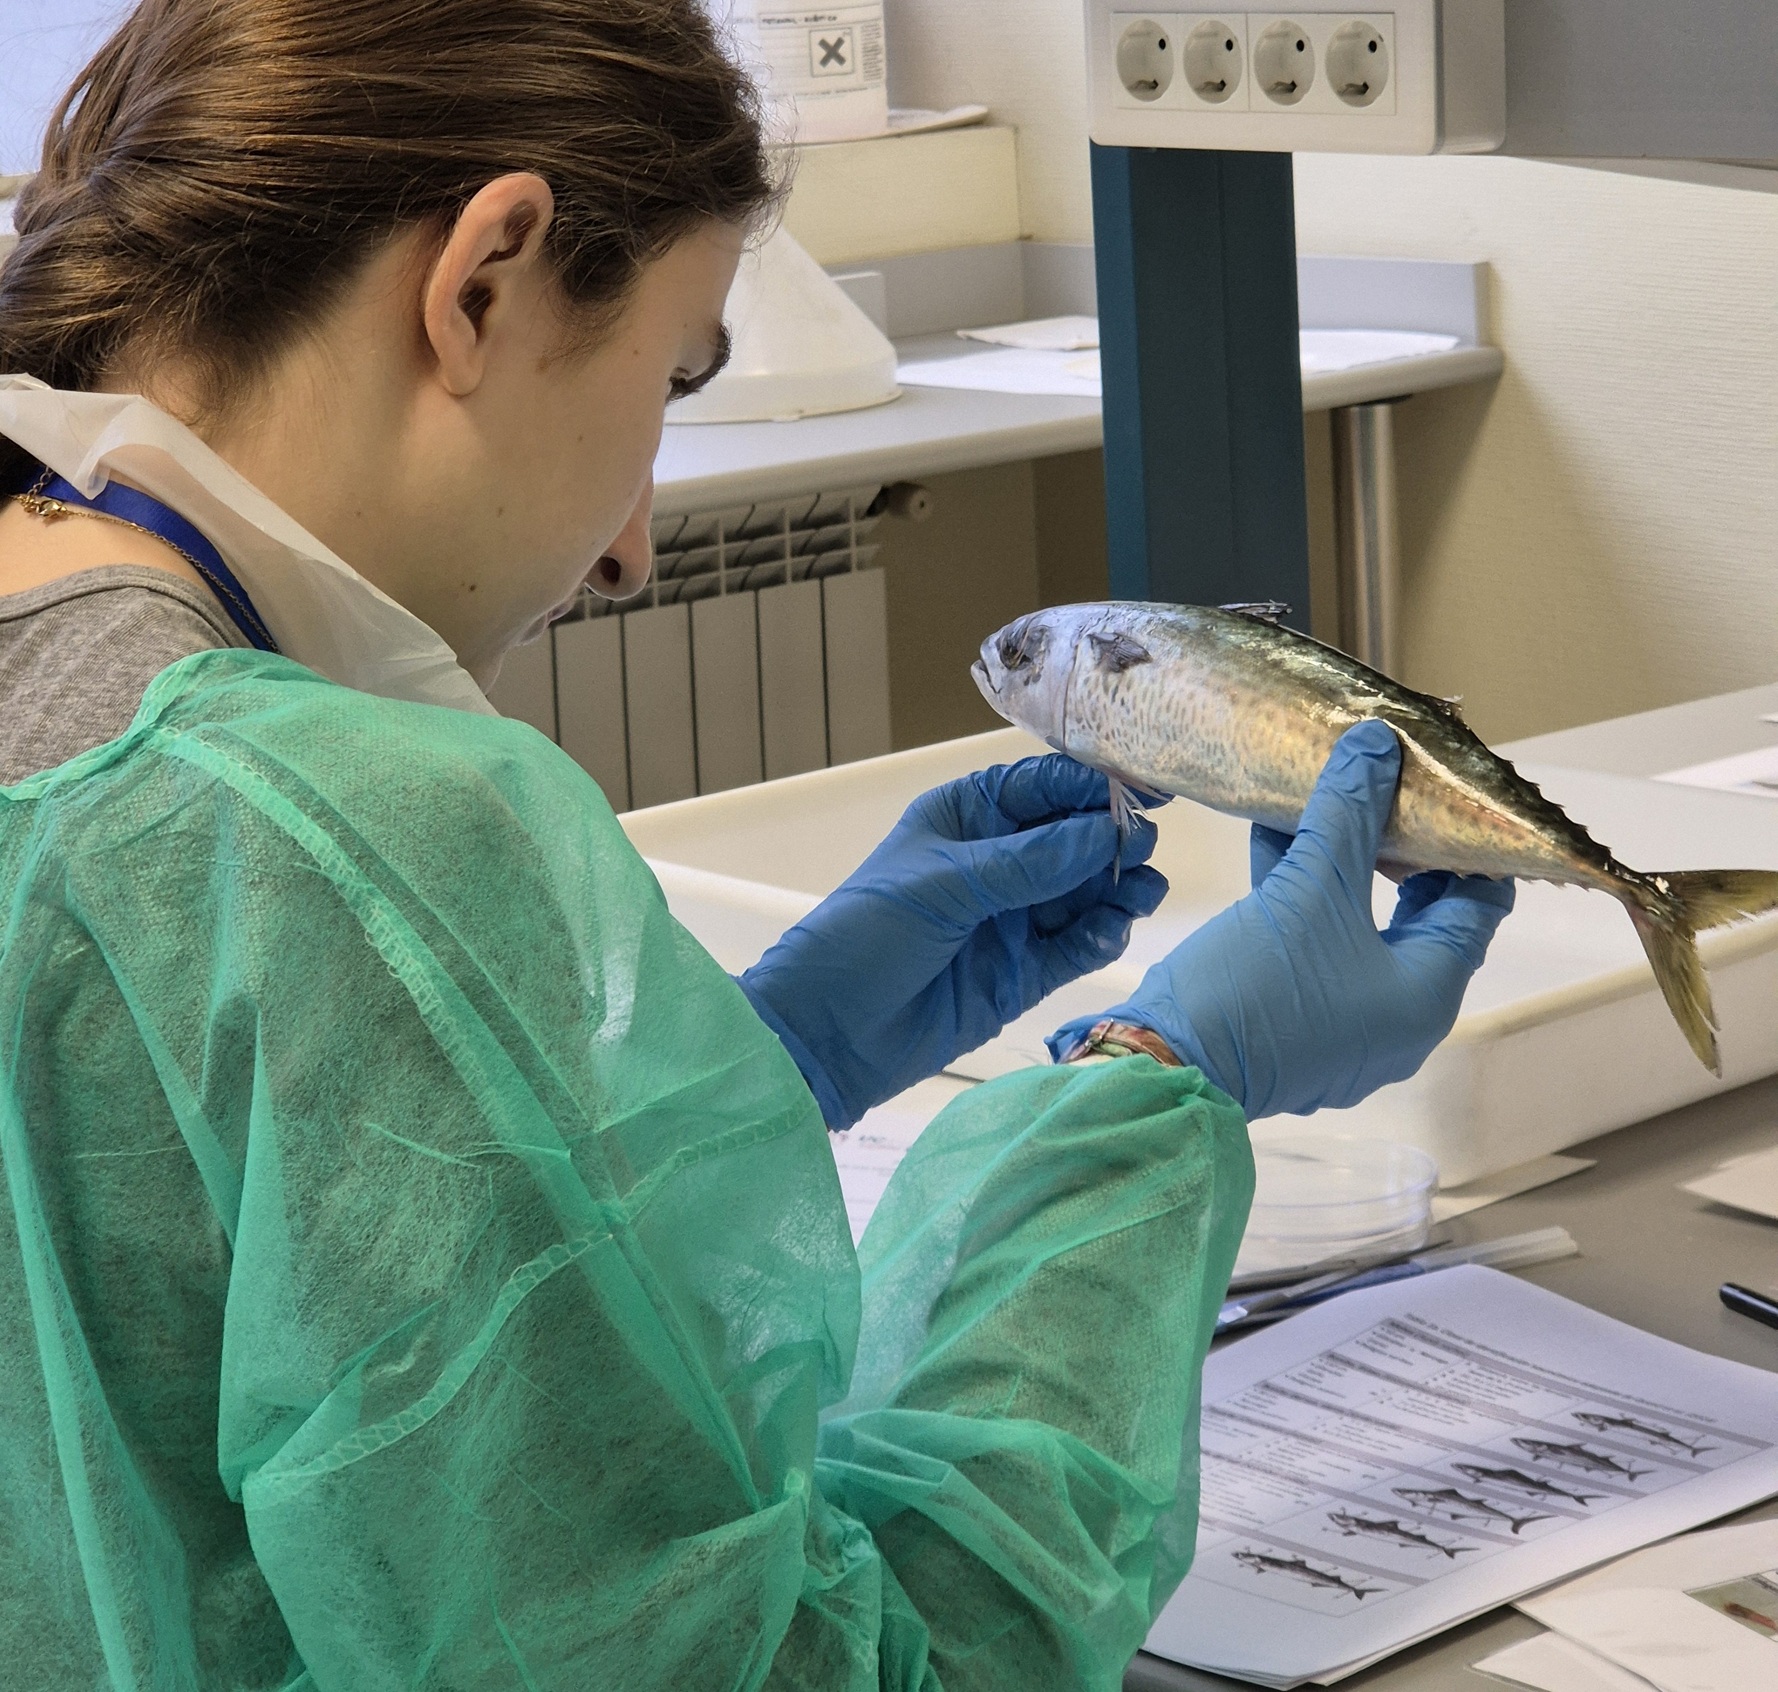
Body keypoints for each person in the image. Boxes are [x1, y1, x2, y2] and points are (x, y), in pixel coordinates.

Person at [0, 3, 1513, 1687]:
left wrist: (753, 1062)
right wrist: (1156, 1088)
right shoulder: (331, 836)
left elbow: (187, 1295)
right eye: (671, 376)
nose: (633, 552)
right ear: (484, 276)